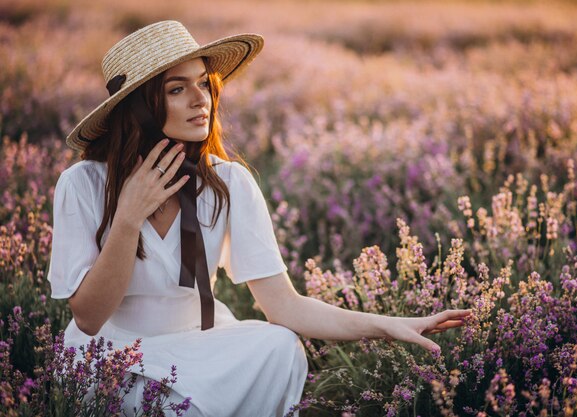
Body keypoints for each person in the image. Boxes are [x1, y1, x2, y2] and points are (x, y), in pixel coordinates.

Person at [47, 20, 472, 417]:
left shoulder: (228, 182)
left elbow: (284, 306)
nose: (202, 100)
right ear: (138, 108)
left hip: (199, 347)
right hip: (114, 358)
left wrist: (388, 324)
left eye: (203, 83)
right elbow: (88, 317)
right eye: (177, 89)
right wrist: (127, 217)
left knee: (282, 347)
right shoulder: (83, 184)